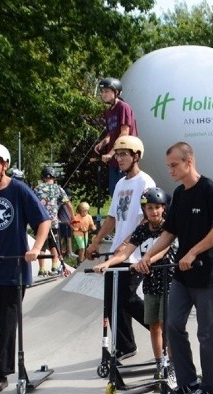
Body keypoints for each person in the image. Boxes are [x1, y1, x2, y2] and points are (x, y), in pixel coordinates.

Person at [134, 142, 213, 394]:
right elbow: (170, 232)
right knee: (173, 325)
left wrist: (193, 252)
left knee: (206, 332)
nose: (170, 170)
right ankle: (188, 382)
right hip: (183, 274)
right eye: (168, 166)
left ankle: (209, 387)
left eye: (174, 165)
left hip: (207, 273)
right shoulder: (178, 194)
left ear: (189, 161)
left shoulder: (209, 189)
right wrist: (148, 256)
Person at [0, 143, 51, 394]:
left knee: (8, 321)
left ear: (4, 165)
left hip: (14, 267)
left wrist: (35, 248)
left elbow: (43, 221)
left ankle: (1, 373)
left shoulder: (19, 190)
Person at [85, 135, 153, 360]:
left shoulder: (145, 182)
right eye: (117, 154)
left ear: (136, 156)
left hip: (135, 253)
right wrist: (96, 241)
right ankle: (125, 346)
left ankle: (160, 327)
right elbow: (112, 216)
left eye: (124, 154)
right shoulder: (120, 184)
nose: (119, 159)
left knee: (127, 297)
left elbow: (148, 218)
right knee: (112, 301)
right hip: (117, 252)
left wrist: (130, 241)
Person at [94, 188, 176, 375]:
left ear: (163, 208)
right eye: (149, 208)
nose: (154, 211)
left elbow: (163, 250)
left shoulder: (169, 227)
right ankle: (158, 364)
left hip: (168, 282)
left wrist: (145, 260)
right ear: (144, 210)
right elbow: (125, 253)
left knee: (165, 325)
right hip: (150, 284)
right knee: (153, 326)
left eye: (157, 207)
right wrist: (107, 264)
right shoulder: (141, 229)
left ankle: (171, 365)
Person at [94, 77, 138, 196]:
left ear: (116, 92)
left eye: (107, 91)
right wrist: (102, 143)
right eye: (102, 92)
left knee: (126, 191)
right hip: (114, 159)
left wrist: (111, 153)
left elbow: (124, 132)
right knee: (115, 191)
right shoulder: (108, 112)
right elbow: (110, 134)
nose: (104, 94)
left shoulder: (123, 107)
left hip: (125, 155)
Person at [34, 166, 73, 276]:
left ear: (42, 177)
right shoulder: (58, 189)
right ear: (54, 177)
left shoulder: (37, 188)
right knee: (54, 245)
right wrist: (72, 217)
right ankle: (55, 267)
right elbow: (68, 204)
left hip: (40, 222)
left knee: (41, 245)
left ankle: (41, 269)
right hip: (54, 222)